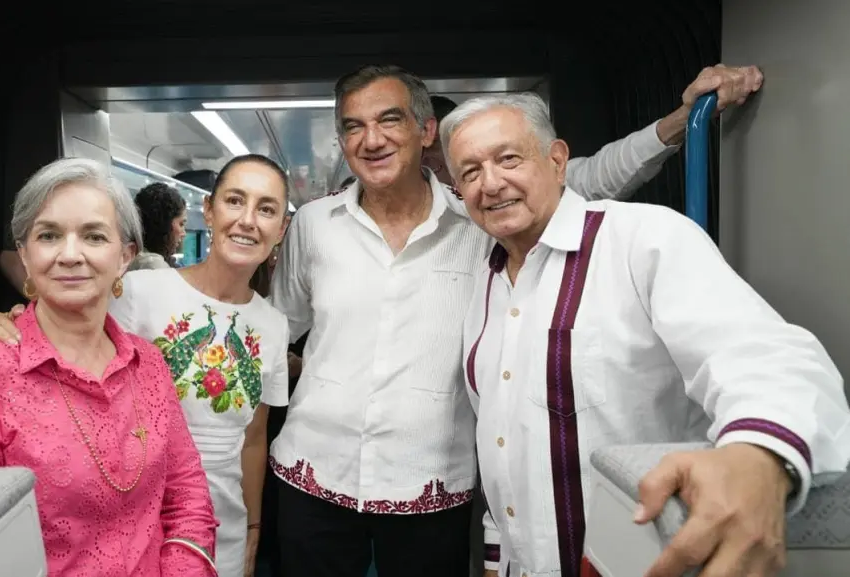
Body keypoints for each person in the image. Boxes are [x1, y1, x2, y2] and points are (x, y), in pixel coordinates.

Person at [267, 63, 764, 577]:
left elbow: (584, 179)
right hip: (312, 470)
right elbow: (277, 325)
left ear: (425, 131)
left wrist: (680, 122)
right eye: (353, 126)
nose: (372, 140)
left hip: (431, 484)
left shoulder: (481, 222)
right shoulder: (312, 225)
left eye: (390, 119)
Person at [440, 92, 850, 577]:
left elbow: (763, 355)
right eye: (469, 172)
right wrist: (496, 557)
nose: (491, 183)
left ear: (556, 160)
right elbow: (502, 441)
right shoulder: (484, 282)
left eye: (508, 158)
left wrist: (758, 456)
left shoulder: (642, 239)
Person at [0, 154, 292, 577]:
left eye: (266, 209)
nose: (247, 220)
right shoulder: (138, 290)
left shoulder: (273, 326)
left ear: (281, 227)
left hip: (210, 520)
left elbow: (253, 438)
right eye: (234, 201)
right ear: (207, 209)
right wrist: (4, 325)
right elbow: (65, 323)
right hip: (127, 509)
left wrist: (253, 525)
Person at [0, 157, 218, 577]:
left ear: (125, 256)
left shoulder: (147, 364)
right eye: (49, 235)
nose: (70, 255)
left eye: (93, 236)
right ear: (25, 253)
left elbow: (186, 495)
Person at [130, 182, 188, 271]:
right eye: (181, 224)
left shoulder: (133, 258)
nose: (184, 233)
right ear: (164, 224)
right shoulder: (153, 265)